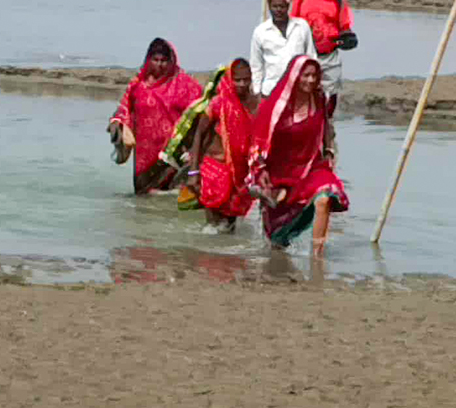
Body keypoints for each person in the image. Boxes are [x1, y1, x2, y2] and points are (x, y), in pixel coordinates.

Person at [246, 56, 348, 256]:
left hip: (311, 167)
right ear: (295, 76)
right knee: (277, 240)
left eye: (314, 76)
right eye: (306, 75)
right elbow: (258, 139)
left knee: (325, 196)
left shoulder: (319, 100)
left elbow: (326, 126)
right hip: (278, 172)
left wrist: (329, 151)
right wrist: (261, 170)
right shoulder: (275, 106)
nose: (310, 80)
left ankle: (318, 257)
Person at [109, 38, 203, 194]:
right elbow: (124, 109)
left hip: (175, 152)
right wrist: (118, 124)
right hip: (145, 155)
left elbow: (199, 113)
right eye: (155, 60)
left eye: (164, 60)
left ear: (171, 61)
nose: (159, 64)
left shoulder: (185, 85)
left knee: (174, 196)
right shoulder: (138, 85)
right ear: (148, 60)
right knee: (145, 197)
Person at [186, 59, 261, 230]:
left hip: (240, 174)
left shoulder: (256, 104)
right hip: (215, 172)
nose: (242, 84)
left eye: (246, 79)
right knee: (212, 228)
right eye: (237, 80)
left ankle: (227, 257)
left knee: (229, 227)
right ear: (230, 79)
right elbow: (199, 134)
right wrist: (193, 171)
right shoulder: (218, 103)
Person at [290, 0, 358, 118]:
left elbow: (345, 28)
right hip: (306, 53)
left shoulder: (339, 4)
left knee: (331, 91)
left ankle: (327, 121)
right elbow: (293, 25)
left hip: (329, 55)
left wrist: (348, 39)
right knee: (303, 88)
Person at [250, 0, 316, 98]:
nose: (278, 10)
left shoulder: (301, 26)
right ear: (269, 7)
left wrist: (313, 85)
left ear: (288, 6)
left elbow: (311, 57)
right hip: (270, 91)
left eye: (282, 6)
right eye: (275, 6)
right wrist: (257, 92)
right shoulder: (260, 32)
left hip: (298, 90)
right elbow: (256, 66)